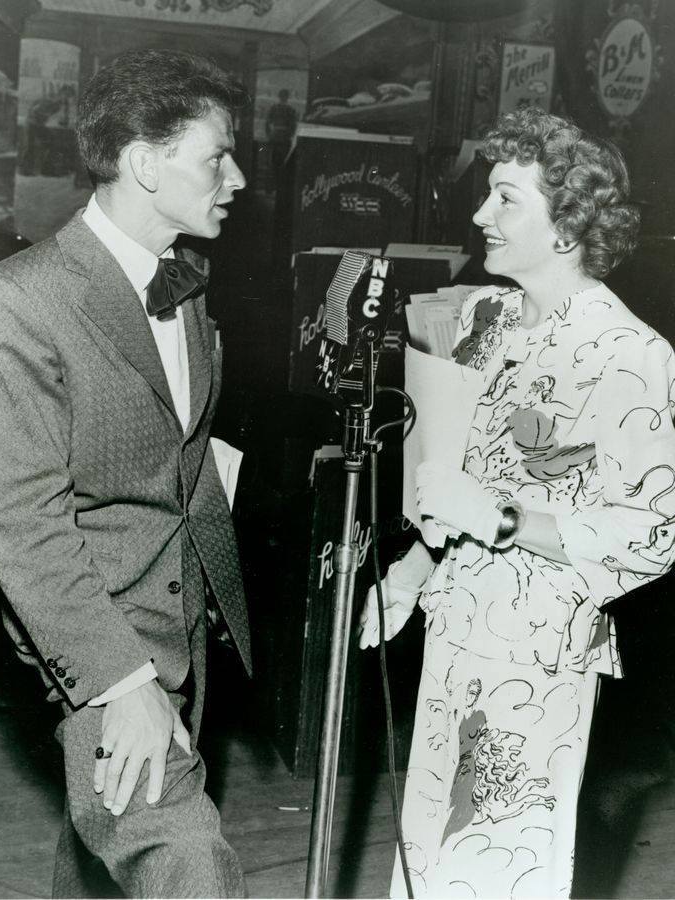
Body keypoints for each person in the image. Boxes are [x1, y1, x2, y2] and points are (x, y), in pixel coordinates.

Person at [359, 106, 675, 898]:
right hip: (454, 632)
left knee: (496, 872)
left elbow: (653, 534)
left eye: (506, 198)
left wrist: (500, 519)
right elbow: (459, 466)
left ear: (566, 227)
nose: (479, 215)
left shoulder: (628, 354)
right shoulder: (485, 319)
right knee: (429, 861)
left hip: (537, 656)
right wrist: (412, 568)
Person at [0, 49, 250, 898]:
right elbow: (21, 521)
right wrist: (121, 684)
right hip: (98, 639)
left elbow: (180, 454)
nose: (236, 179)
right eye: (217, 157)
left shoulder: (186, 285)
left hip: (188, 630)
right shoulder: (21, 298)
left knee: (102, 852)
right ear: (146, 164)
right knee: (186, 857)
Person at [265, 88, 297, 191]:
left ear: (279, 97)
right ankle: (281, 187)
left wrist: (269, 135)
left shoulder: (274, 108)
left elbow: (267, 123)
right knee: (283, 163)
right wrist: (289, 135)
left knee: (272, 163)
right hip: (285, 138)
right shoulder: (290, 109)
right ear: (287, 97)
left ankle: (270, 187)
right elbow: (293, 126)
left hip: (274, 136)